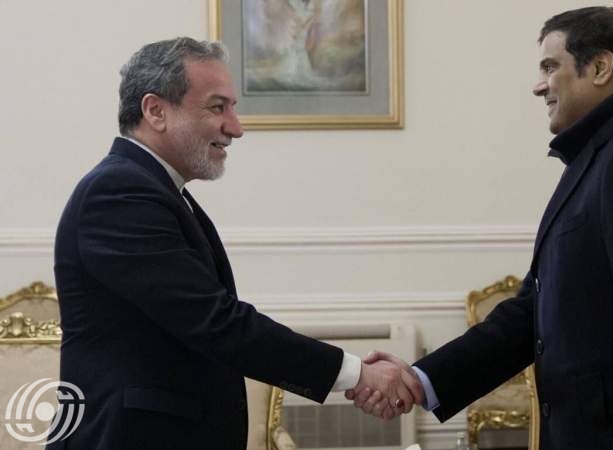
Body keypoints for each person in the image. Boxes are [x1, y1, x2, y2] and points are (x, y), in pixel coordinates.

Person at [349, 7, 613, 449]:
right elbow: (532, 313)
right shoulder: (599, 161)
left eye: (549, 67)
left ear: (600, 67)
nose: (538, 85)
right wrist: (421, 378)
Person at [51, 37, 421, 450]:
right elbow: (215, 322)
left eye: (233, 107)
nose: (236, 128)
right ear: (156, 111)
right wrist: (357, 374)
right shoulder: (119, 193)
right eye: (217, 107)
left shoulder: (156, 191)